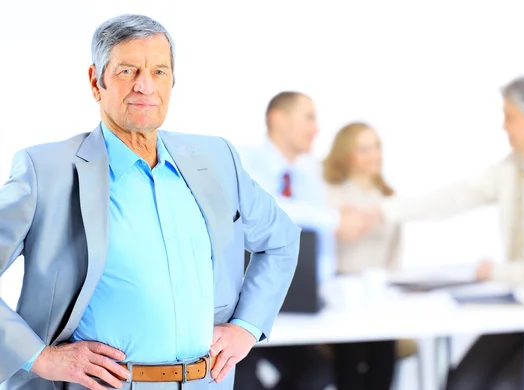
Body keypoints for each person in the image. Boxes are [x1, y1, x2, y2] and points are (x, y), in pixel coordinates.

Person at [0, 14, 300, 390]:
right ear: (96, 81)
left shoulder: (217, 158)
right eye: (128, 71)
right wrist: (40, 358)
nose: (145, 86)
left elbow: (282, 240)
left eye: (159, 71)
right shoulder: (46, 171)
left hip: (208, 383)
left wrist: (246, 326)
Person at [384, 73, 524, 389]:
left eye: (509, 116)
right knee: (460, 384)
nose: (504, 126)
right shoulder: (511, 169)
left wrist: (497, 272)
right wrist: (384, 211)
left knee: (506, 387)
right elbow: (457, 195)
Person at [234, 92, 377, 390]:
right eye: (309, 118)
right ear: (278, 118)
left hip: (297, 309)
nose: (316, 129)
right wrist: (333, 218)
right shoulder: (242, 161)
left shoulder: (310, 176)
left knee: (318, 372)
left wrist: (327, 287)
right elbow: (268, 208)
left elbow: (320, 247)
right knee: (241, 377)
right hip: (245, 309)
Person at [323, 122, 399, 390]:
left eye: (377, 146)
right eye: (364, 149)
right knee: (350, 354)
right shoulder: (329, 196)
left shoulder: (390, 198)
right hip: (342, 296)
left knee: (384, 350)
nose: (374, 154)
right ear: (347, 154)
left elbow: (395, 256)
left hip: (379, 295)